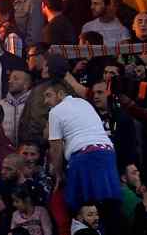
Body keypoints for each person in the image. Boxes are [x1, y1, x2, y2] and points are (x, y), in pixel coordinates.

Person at [44, 84, 121, 215]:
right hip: (108, 154)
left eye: (48, 95)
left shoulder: (55, 111)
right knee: (110, 206)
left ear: (61, 94)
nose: (45, 101)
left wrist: (58, 174)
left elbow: (55, 148)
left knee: (82, 209)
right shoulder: (83, 103)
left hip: (85, 157)